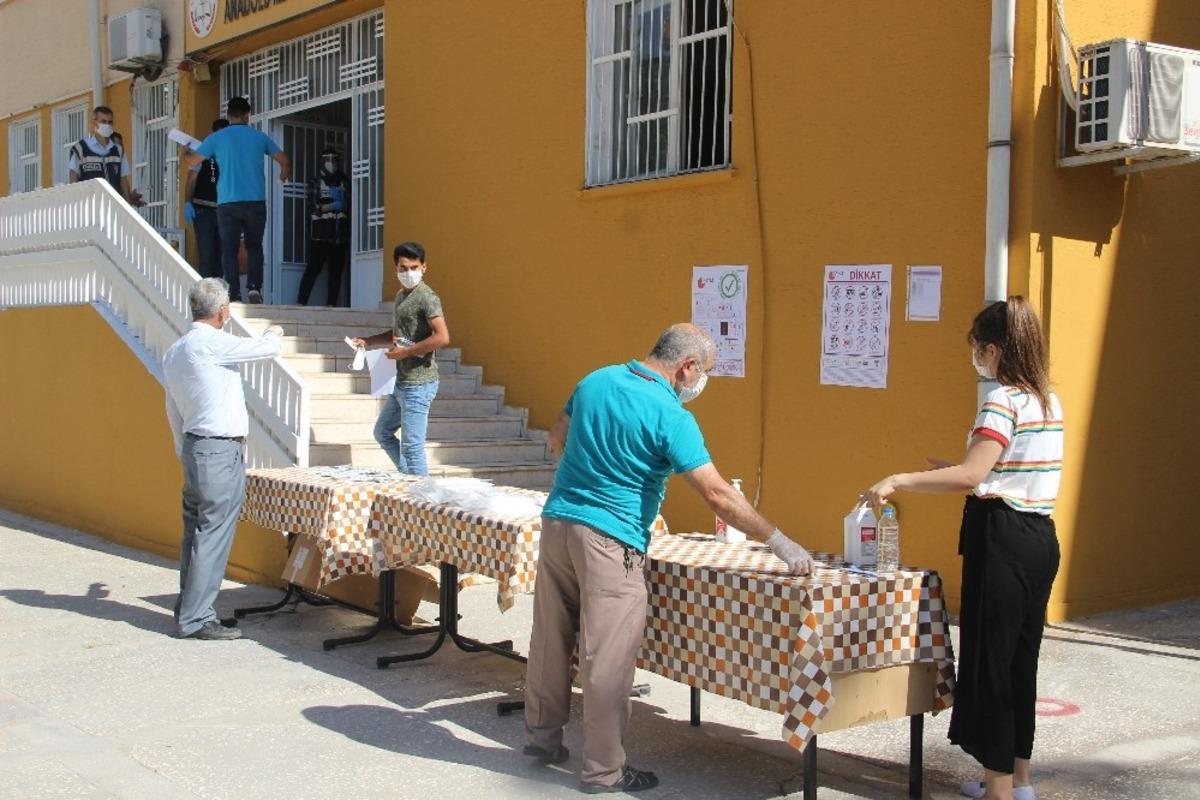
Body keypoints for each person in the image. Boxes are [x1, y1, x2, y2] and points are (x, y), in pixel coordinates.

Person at [524, 323, 814, 794]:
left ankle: (541, 741)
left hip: (557, 523)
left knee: (550, 641)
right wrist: (778, 541)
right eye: (706, 374)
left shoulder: (595, 380)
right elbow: (718, 494)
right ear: (687, 367)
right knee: (607, 660)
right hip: (610, 538)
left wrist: (584, 478)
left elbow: (558, 436)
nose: (702, 384)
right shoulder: (670, 415)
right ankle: (604, 770)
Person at [863, 297, 1063, 800]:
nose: (976, 358)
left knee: (990, 663)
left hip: (1003, 540)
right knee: (1021, 661)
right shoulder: (1046, 400)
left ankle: (995, 788)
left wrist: (901, 479)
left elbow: (973, 476)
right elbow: (1001, 472)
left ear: (994, 350)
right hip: (1040, 538)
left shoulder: (1002, 400)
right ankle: (1017, 780)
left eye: (977, 348)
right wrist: (958, 469)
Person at [162, 278, 285, 640]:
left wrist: (180, 447)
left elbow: (172, 407)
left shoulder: (176, 350)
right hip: (217, 449)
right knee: (212, 533)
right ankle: (198, 617)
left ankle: (190, 608)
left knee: (196, 533)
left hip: (194, 446)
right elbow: (266, 350)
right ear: (222, 311)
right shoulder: (212, 343)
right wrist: (275, 331)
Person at [349, 242, 448, 474]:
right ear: (396, 269)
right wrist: (369, 341)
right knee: (382, 432)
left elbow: (442, 337)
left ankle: (422, 501)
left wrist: (406, 352)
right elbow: (398, 334)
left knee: (413, 449)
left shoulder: (427, 298)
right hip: (400, 382)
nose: (408, 273)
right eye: (403, 268)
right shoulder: (401, 295)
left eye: (414, 267)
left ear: (424, 267)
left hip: (419, 384)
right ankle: (409, 479)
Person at [184, 96, 290, 304]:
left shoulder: (217, 138)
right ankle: (254, 288)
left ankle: (233, 293)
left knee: (228, 249)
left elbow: (192, 161)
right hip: (256, 201)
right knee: (254, 246)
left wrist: (187, 151)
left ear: (228, 115)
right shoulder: (259, 137)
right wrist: (283, 175)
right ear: (247, 115)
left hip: (227, 203)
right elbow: (284, 159)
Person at [297, 145, 351, 306]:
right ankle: (301, 302)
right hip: (319, 235)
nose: (331, 163)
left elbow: (350, 206)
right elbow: (311, 207)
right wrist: (330, 206)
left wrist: (342, 203)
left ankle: (331, 305)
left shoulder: (345, 182)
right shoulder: (316, 182)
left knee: (336, 272)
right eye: (327, 159)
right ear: (322, 162)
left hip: (339, 235)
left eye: (334, 159)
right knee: (313, 269)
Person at [184, 119, 229, 279]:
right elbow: (192, 178)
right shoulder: (202, 151)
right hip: (203, 210)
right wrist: (187, 202)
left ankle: (219, 297)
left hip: (224, 211)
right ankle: (204, 298)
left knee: (222, 259)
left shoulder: (229, 153)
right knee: (207, 257)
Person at [68, 106, 140, 205]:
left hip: (113, 207)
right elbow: (73, 178)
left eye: (110, 122)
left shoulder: (118, 150)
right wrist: (76, 205)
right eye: (103, 121)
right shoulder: (81, 149)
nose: (107, 125)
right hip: (90, 207)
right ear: (94, 123)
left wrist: (127, 206)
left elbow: (123, 180)